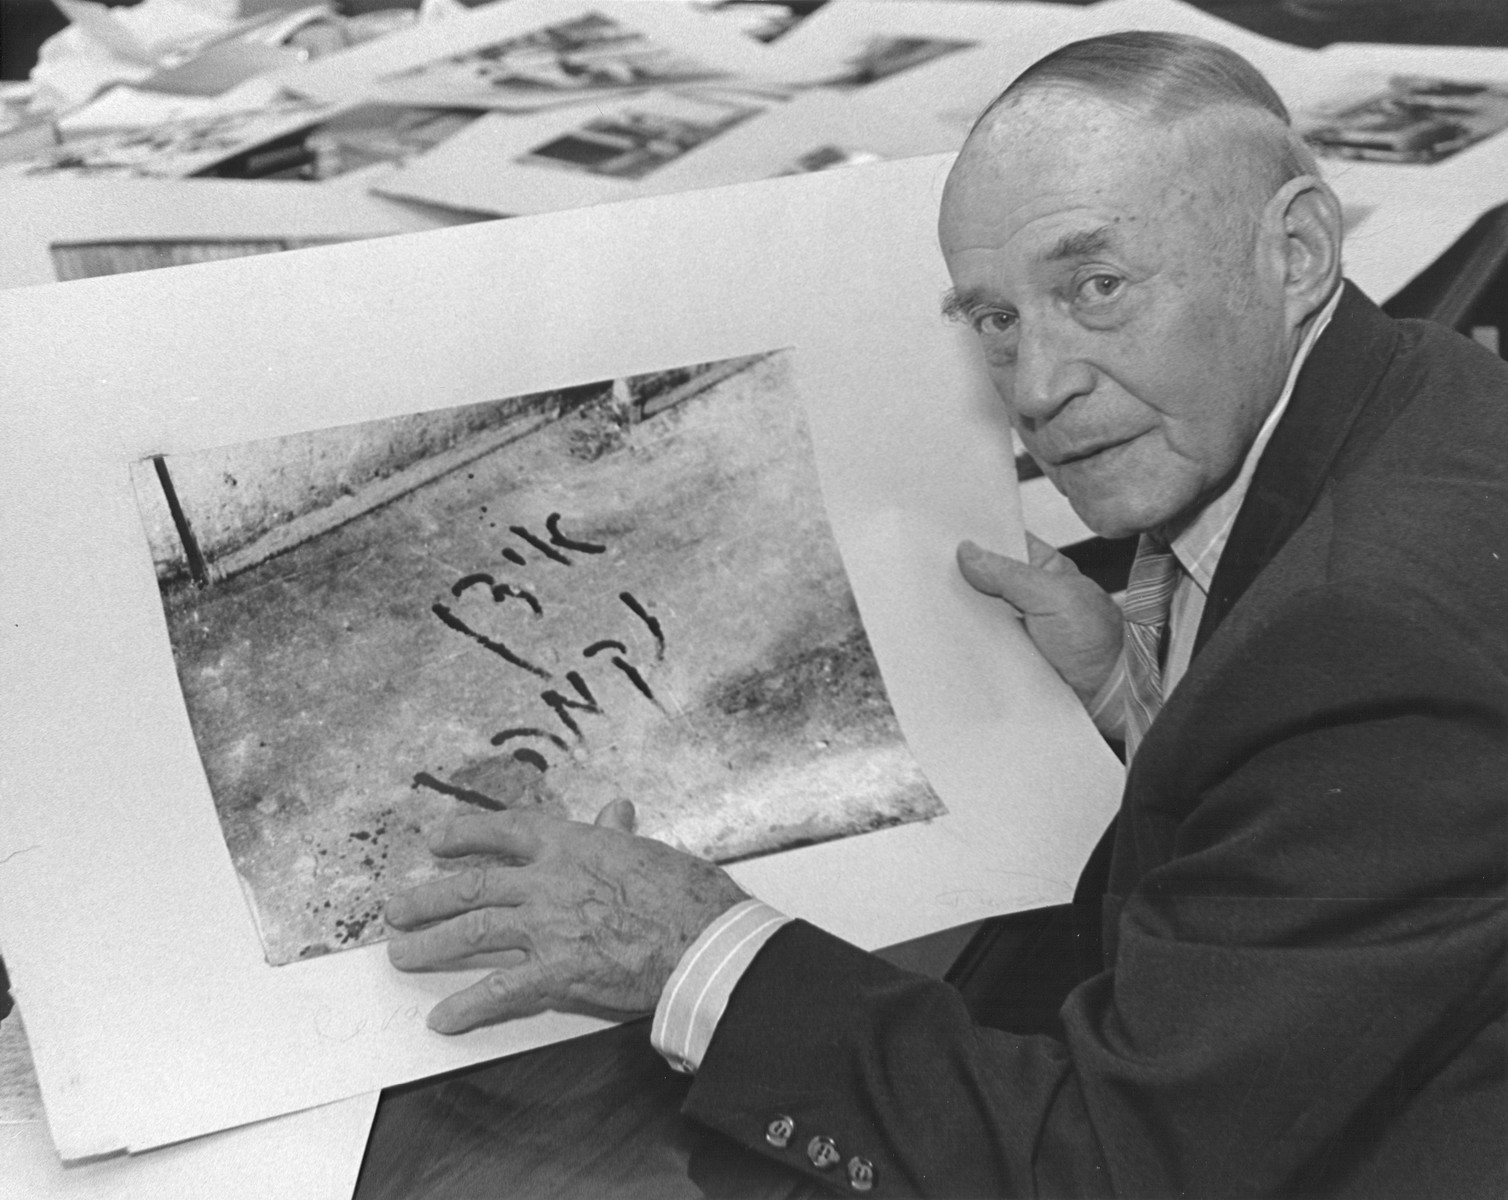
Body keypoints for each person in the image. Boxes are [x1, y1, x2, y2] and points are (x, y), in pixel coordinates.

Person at [383, 31, 1507, 1197]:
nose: (1033, 389)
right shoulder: (1425, 390)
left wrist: (689, 948)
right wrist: (1147, 701)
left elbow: (1104, 1165)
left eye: (1097, 287)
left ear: (1297, 250)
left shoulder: (1367, 641)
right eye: (995, 320)